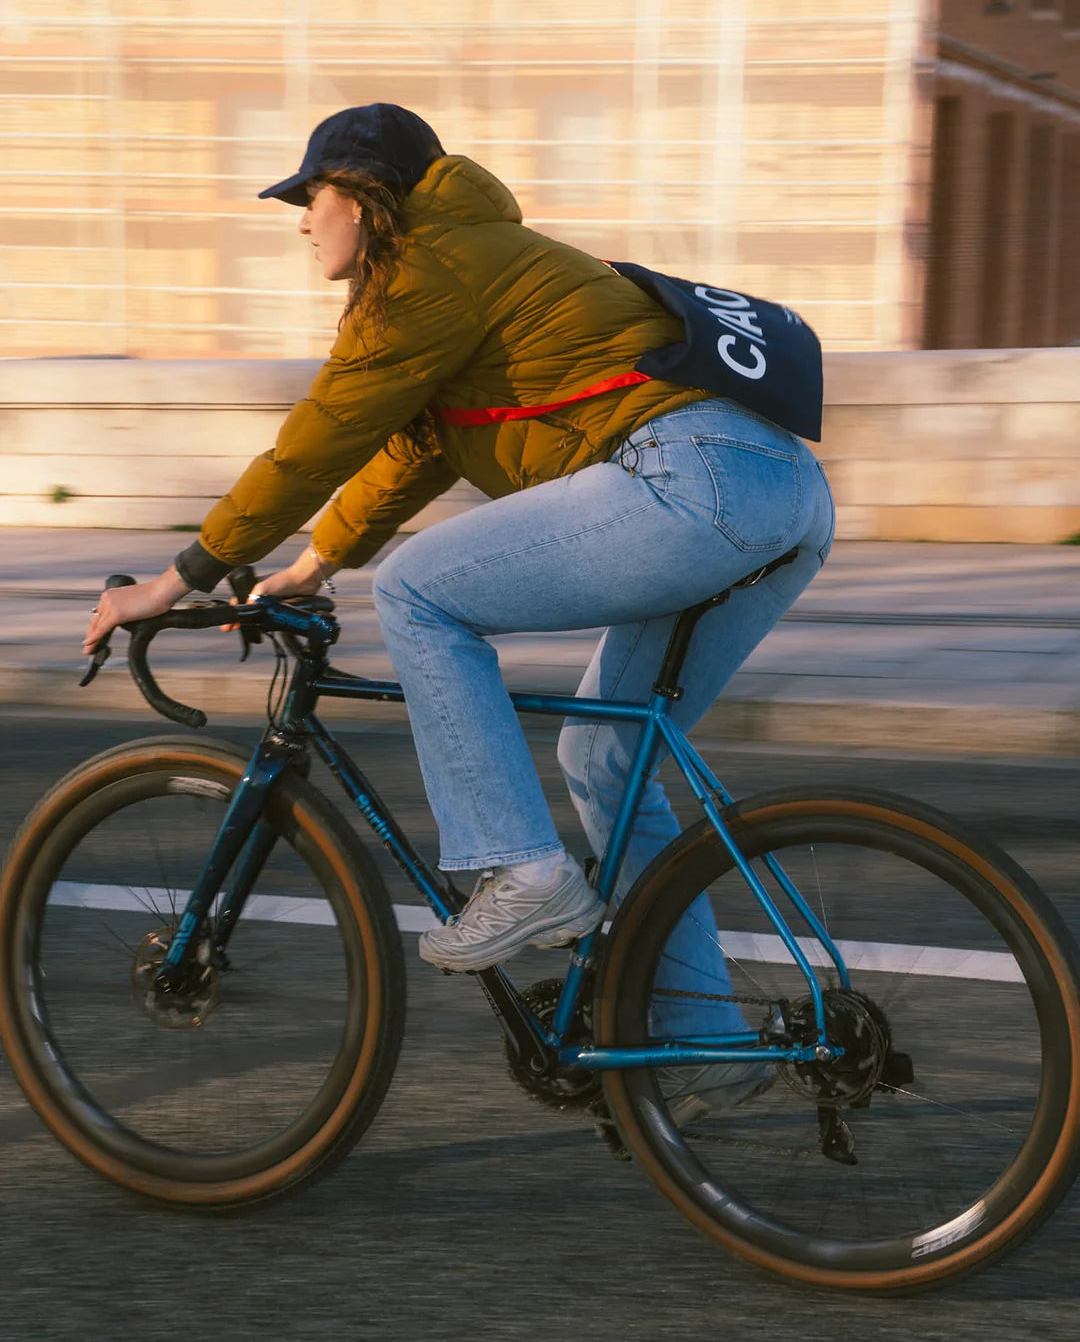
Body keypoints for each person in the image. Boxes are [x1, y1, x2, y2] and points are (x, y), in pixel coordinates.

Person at [84, 102, 835, 1114]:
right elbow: (411, 446)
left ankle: (521, 871)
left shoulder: (427, 274)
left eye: (314, 196)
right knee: (606, 760)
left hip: (689, 481)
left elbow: (322, 434)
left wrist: (180, 577)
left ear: (366, 198)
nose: (303, 219)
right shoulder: (481, 264)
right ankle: (700, 1041)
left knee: (418, 589)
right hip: (780, 492)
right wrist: (314, 561)